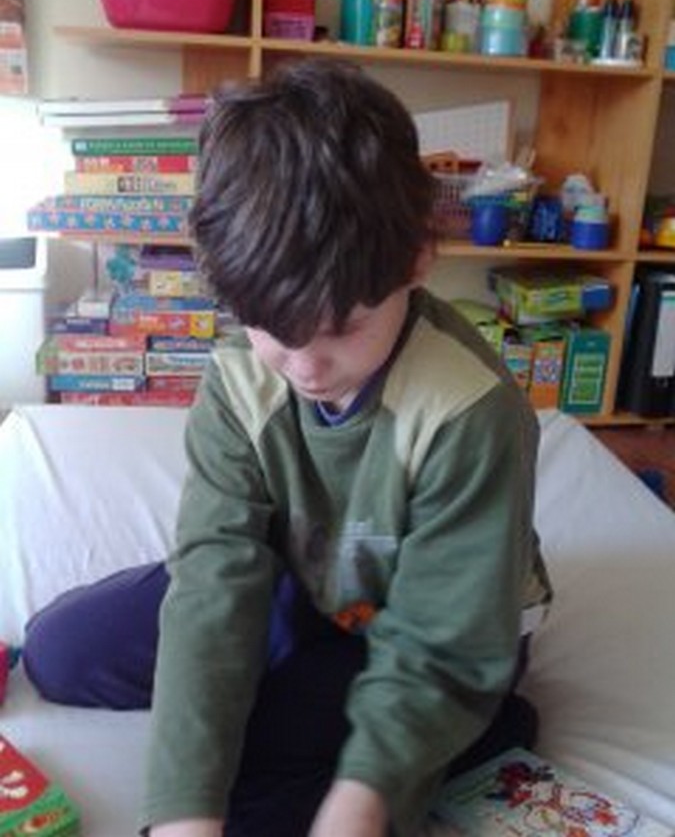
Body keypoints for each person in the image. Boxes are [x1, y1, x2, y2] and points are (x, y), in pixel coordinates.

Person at [23, 58, 552, 837]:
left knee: (264, 783)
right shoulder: (242, 375)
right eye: (273, 329)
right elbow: (214, 579)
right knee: (59, 652)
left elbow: (441, 645)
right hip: (309, 581)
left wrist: (366, 795)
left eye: (342, 329)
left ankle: (485, 724)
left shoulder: (469, 413)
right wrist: (181, 807)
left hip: (436, 627)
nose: (305, 368)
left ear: (417, 259)